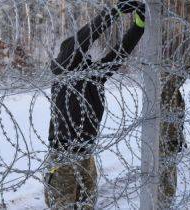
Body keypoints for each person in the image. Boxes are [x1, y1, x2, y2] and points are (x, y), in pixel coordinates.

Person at [44, 1, 145, 209]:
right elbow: (79, 42)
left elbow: (121, 52)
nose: (87, 55)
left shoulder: (94, 77)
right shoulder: (64, 72)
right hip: (63, 157)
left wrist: (139, 25)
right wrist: (113, 13)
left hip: (86, 156)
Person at [158, 32, 190, 208]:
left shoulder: (171, 90)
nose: (172, 70)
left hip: (169, 139)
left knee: (168, 180)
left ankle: (164, 205)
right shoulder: (165, 88)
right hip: (162, 141)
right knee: (165, 181)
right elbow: (185, 70)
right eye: (168, 69)